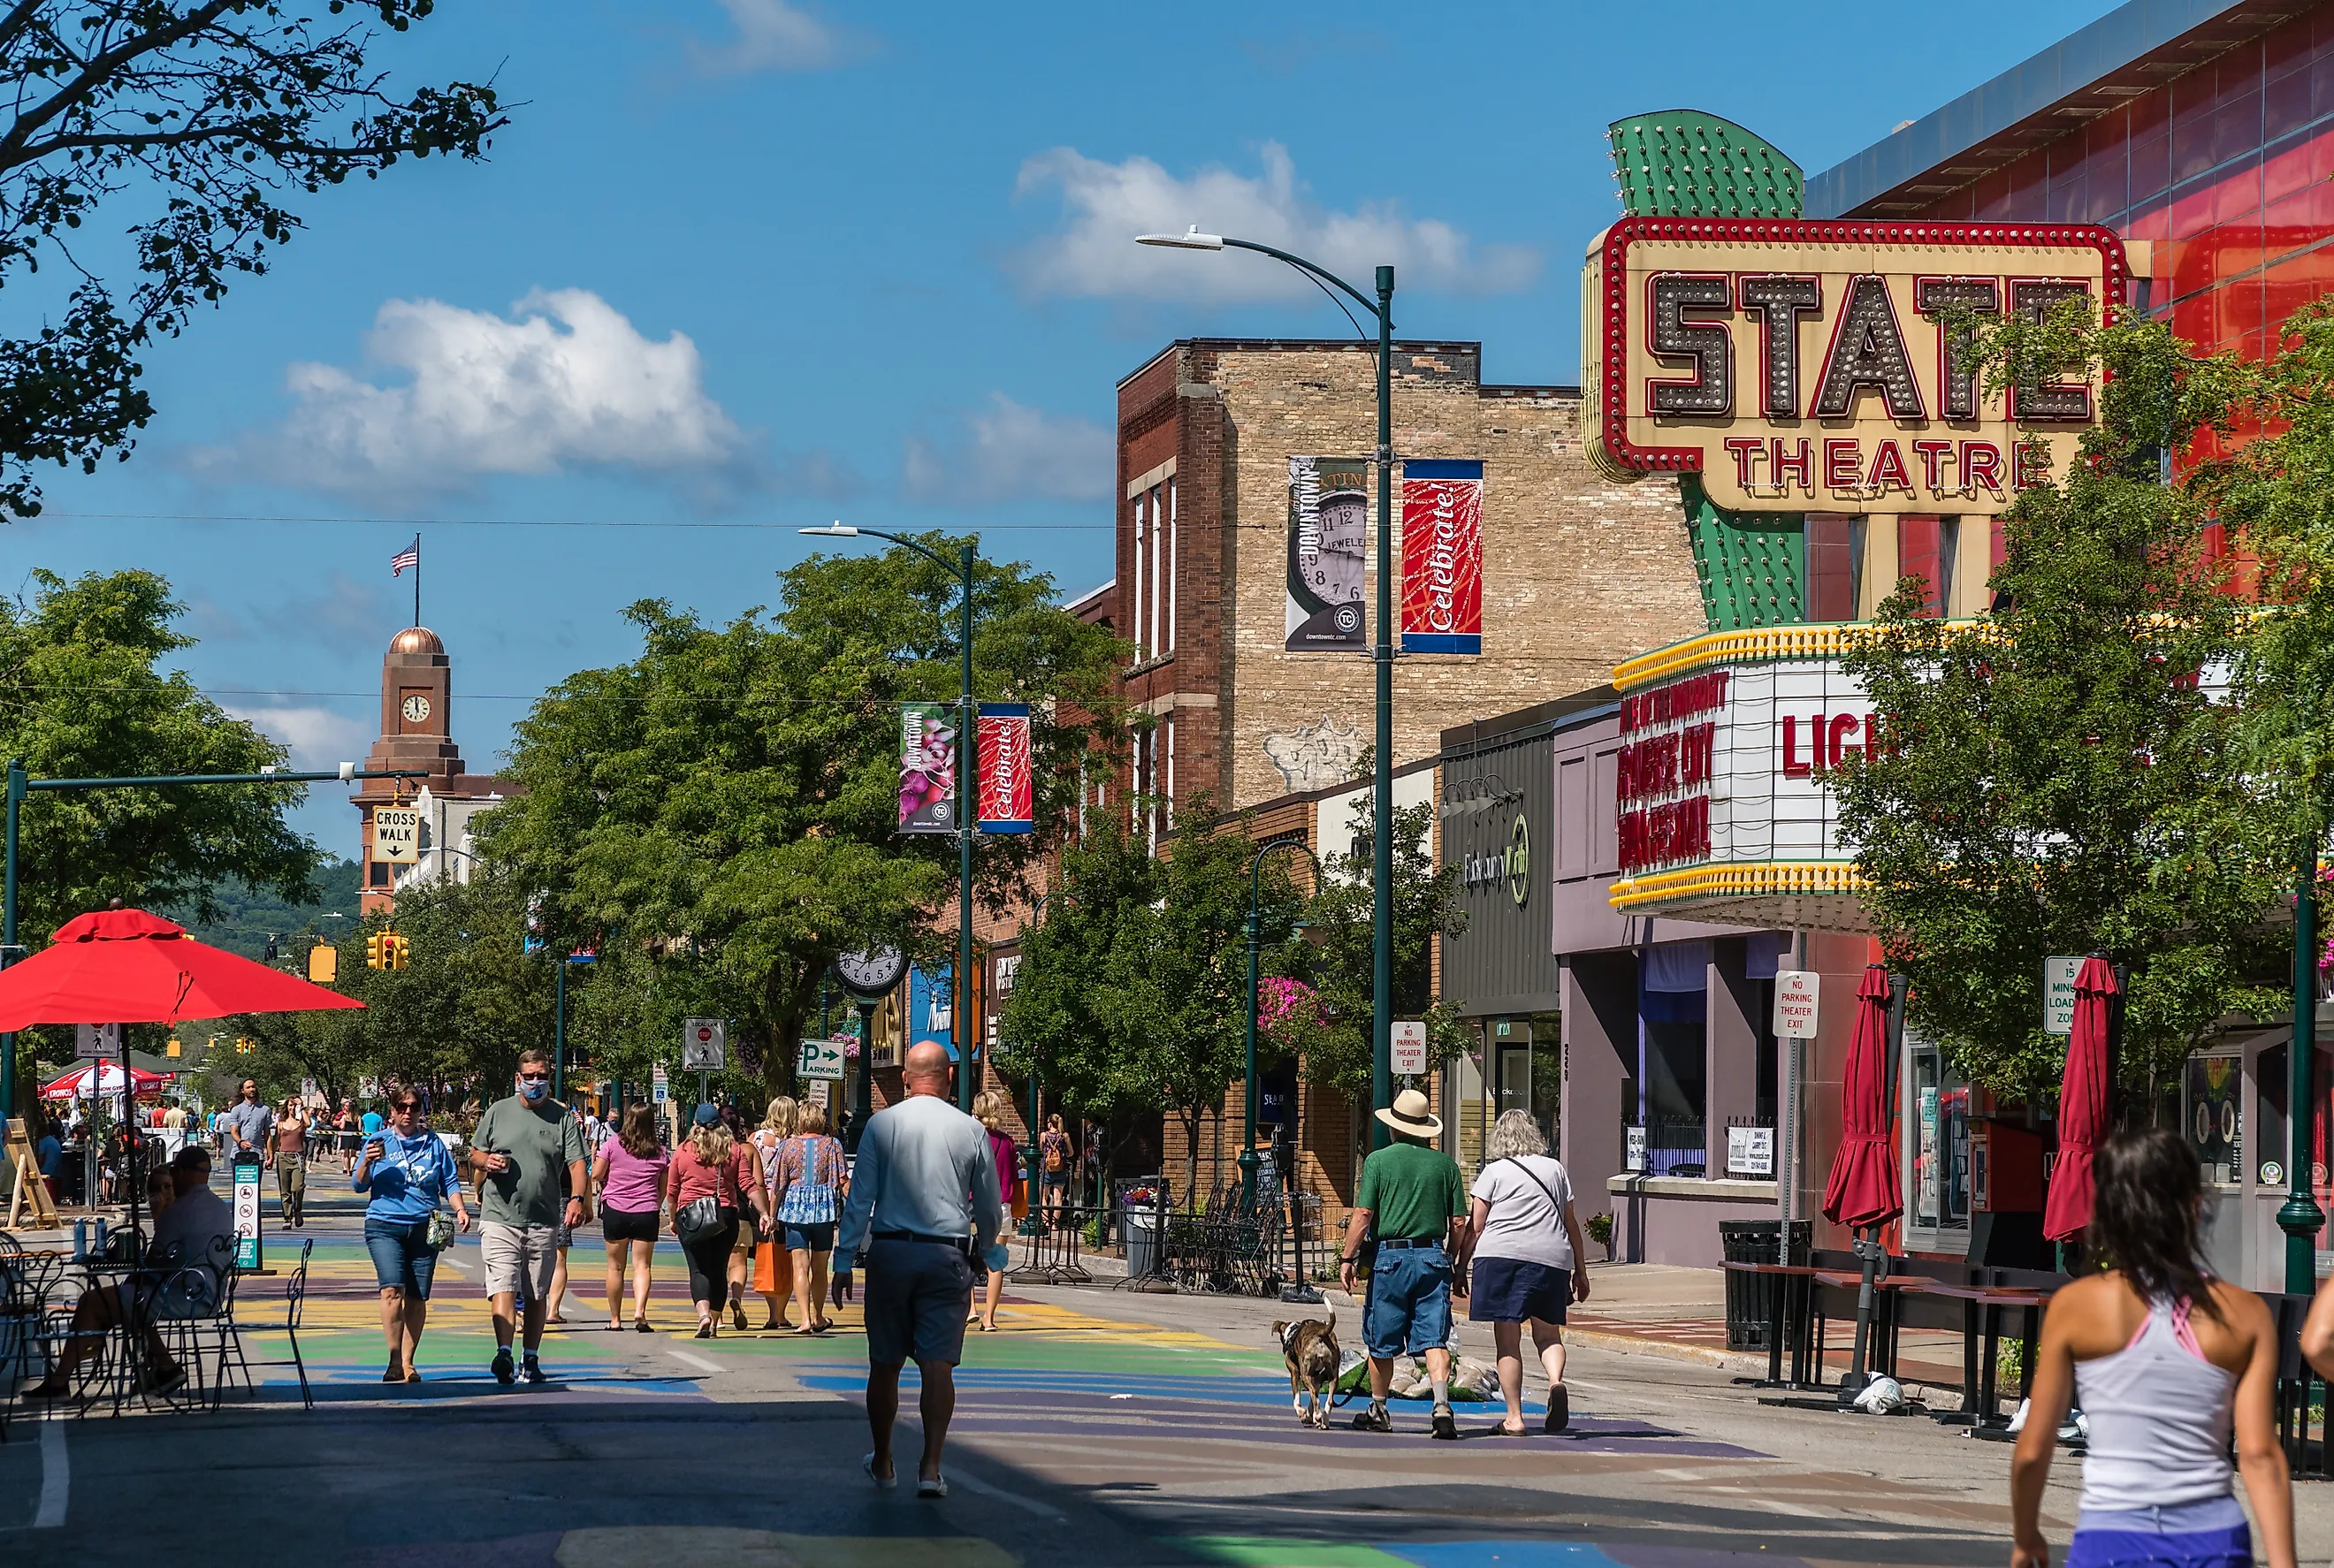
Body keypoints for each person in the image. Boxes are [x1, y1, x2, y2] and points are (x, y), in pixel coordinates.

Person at [2013, 1126, 2294, 1568]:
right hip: (2213, 1537)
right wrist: (2284, 1562)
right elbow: (2259, 1454)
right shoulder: (2245, 1314)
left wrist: (2026, 1536)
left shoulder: (2075, 1308)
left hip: (2111, 1537)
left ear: (2106, 1212)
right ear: (2196, 1207)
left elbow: (2033, 1449)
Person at [837, 1039, 1002, 1498]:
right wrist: (989, 1252)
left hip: (891, 1252)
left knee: (884, 1363)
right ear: (950, 1077)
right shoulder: (970, 1129)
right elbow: (989, 1207)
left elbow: (860, 1198)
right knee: (938, 1365)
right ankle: (930, 1468)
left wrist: (843, 1258)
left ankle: (885, 1459)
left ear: (906, 1078)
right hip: (945, 1256)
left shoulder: (881, 1125)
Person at [23, 1147, 232, 1400]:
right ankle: (163, 1367)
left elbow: (157, 1261)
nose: (172, 1181)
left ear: (184, 1173)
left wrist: (154, 1225)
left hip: (184, 1295)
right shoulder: (220, 1207)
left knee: (94, 1301)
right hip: (210, 1293)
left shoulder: (179, 1212)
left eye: (174, 1173)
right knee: (128, 1300)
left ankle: (59, 1381)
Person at [1339, 1088, 1468, 1441]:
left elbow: (1364, 1214)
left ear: (1395, 1127)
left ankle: (1379, 1409)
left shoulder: (1378, 1162)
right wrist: (1453, 1261)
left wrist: (1348, 1257)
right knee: (1434, 1337)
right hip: (1432, 1257)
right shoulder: (1446, 1166)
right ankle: (1441, 1407)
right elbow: (1459, 1222)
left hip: (1389, 1258)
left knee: (1382, 1338)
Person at [1459, 1109, 1591, 1435]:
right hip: (1551, 1258)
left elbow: (1477, 1226)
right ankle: (1556, 1381)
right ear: (1535, 1134)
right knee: (1548, 1334)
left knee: (1508, 1342)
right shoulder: (1556, 1170)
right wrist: (1581, 1271)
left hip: (1502, 1257)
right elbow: (1570, 1222)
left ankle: (1514, 1418)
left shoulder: (1493, 1172)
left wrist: (1460, 1268)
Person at [468, 1050, 589, 1386]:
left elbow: (578, 1164)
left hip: (543, 1218)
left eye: (542, 1076)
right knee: (504, 1283)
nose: (536, 1082)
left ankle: (530, 1358)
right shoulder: (498, 1111)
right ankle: (504, 1351)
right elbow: (475, 1152)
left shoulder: (562, 1118)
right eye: (530, 1076)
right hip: (499, 1215)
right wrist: (485, 1161)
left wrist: (577, 1199)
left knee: (536, 1292)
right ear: (518, 1078)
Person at [354, 1089, 471, 1383]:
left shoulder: (433, 1144)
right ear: (392, 1111)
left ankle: (408, 1362)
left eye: (414, 1107)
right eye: (401, 1107)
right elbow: (358, 1186)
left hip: (424, 1227)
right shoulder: (377, 1142)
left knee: (417, 1297)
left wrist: (460, 1209)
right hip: (384, 1225)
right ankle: (393, 1360)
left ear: (421, 1111)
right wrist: (367, 1162)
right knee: (392, 1290)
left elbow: (450, 1181)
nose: (407, 1112)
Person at [667, 1104, 773, 1338]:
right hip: (725, 1215)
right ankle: (714, 1323)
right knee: (718, 1270)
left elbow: (672, 1189)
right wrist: (764, 1213)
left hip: (692, 1215)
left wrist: (672, 1217)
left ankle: (703, 1315)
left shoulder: (683, 1150)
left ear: (695, 1124)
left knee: (698, 1269)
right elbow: (747, 1183)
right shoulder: (734, 1150)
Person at [770, 1099, 848, 1336]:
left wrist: (772, 1216)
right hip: (823, 1210)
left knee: (800, 1267)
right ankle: (818, 1316)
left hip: (794, 1209)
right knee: (820, 1267)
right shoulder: (832, 1145)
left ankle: (804, 1319)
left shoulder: (787, 1146)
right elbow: (842, 1180)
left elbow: (778, 1185)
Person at [593, 1103, 668, 1332]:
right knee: (642, 1266)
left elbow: (596, 1173)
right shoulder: (660, 1151)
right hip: (646, 1211)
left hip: (616, 1210)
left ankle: (615, 1319)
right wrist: (653, 1202)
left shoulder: (613, 1144)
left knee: (615, 1267)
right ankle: (640, 1313)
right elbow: (662, 1188)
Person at [970, 1092, 1022, 1333]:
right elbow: (1012, 1176)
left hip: (973, 1205)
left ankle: (970, 1308)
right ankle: (988, 1319)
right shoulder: (1008, 1142)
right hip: (1001, 1206)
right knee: (996, 1264)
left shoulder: (969, 1138)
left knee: (966, 1259)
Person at [750, 1097, 797, 1328]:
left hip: (760, 1202)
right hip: (786, 1202)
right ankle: (781, 1312)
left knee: (767, 1254)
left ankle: (772, 1313)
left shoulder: (756, 1137)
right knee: (786, 1259)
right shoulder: (792, 1142)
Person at [719, 1104, 759, 1331]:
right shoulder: (748, 1150)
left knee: (718, 1264)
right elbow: (757, 1184)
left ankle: (718, 1313)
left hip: (715, 1211)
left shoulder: (713, 1149)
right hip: (741, 1211)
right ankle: (738, 1300)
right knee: (739, 1262)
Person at [272, 1095, 310, 1228]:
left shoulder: (300, 1122)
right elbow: (276, 1140)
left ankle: (298, 1209)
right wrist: (270, 1156)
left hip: (298, 1157)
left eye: (294, 1105)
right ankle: (287, 1218)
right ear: (286, 1107)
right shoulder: (281, 1123)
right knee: (285, 1189)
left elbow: (309, 1124)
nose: (292, 1108)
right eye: (290, 1105)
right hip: (283, 1157)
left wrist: (302, 1107)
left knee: (298, 1187)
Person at [222, 1077, 272, 1166]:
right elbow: (234, 1131)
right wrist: (240, 1142)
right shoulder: (237, 1109)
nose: (251, 1089)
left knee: (256, 1180)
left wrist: (270, 1154)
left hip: (257, 1154)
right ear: (242, 1090)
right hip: (238, 1153)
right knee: (239, 1180)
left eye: (253, 1087)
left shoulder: (265, 1110)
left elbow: (267, 1135)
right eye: (248, 1087)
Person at [1038, 1114, 1071, 1227]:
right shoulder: (1064, 1136)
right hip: (1060, 1169)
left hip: (1047, 1169)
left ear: (1050, 1123)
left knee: (1043, 1197)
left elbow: (1042, 1150)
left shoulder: (1044, 1135)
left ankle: (1046, 1223)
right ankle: (1054, 1224)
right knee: (1058, 1197)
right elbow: (1071, 1152)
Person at [335, 1100, 359, 1173]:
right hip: (355, 1136)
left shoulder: (345, 1116)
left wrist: (340, 1123)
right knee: (353, 1154)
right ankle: (352, 1168)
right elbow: (360, 1128)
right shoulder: (358, 1117)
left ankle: (348, 1170)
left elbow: (342, 1127)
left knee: (346, 1154)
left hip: (346, 1136)